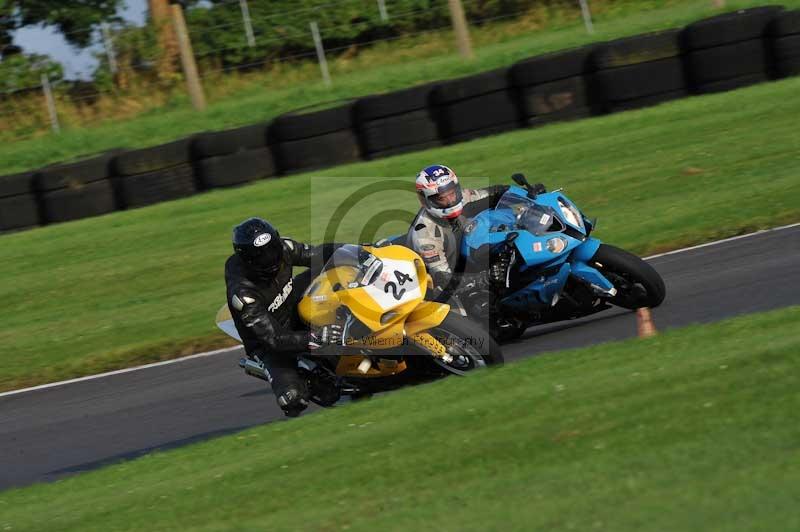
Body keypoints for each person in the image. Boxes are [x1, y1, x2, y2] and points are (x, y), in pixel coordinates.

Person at [224, 217, 342, 417]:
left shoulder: (284, 248)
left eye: (272, 249)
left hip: (291, 304)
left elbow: (317, 254)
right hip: (270, 343)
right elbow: (274, 340)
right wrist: (315, 338)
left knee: (335, 266)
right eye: (262, 256)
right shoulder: (243, 294)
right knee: (293, 400)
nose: (271, 259)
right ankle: (302, 374)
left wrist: (364, 251)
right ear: (248, 259)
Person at [406, 165, 545, 332]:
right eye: (442, 198)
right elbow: (443, 278)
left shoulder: (464, 197)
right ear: (426, 200)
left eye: (453, 193)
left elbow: (497, 193)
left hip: (470, 260)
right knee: (470, 324)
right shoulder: (424, 235)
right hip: (444, 284)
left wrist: (530, 196)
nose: (451, 200)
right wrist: (483, 279)